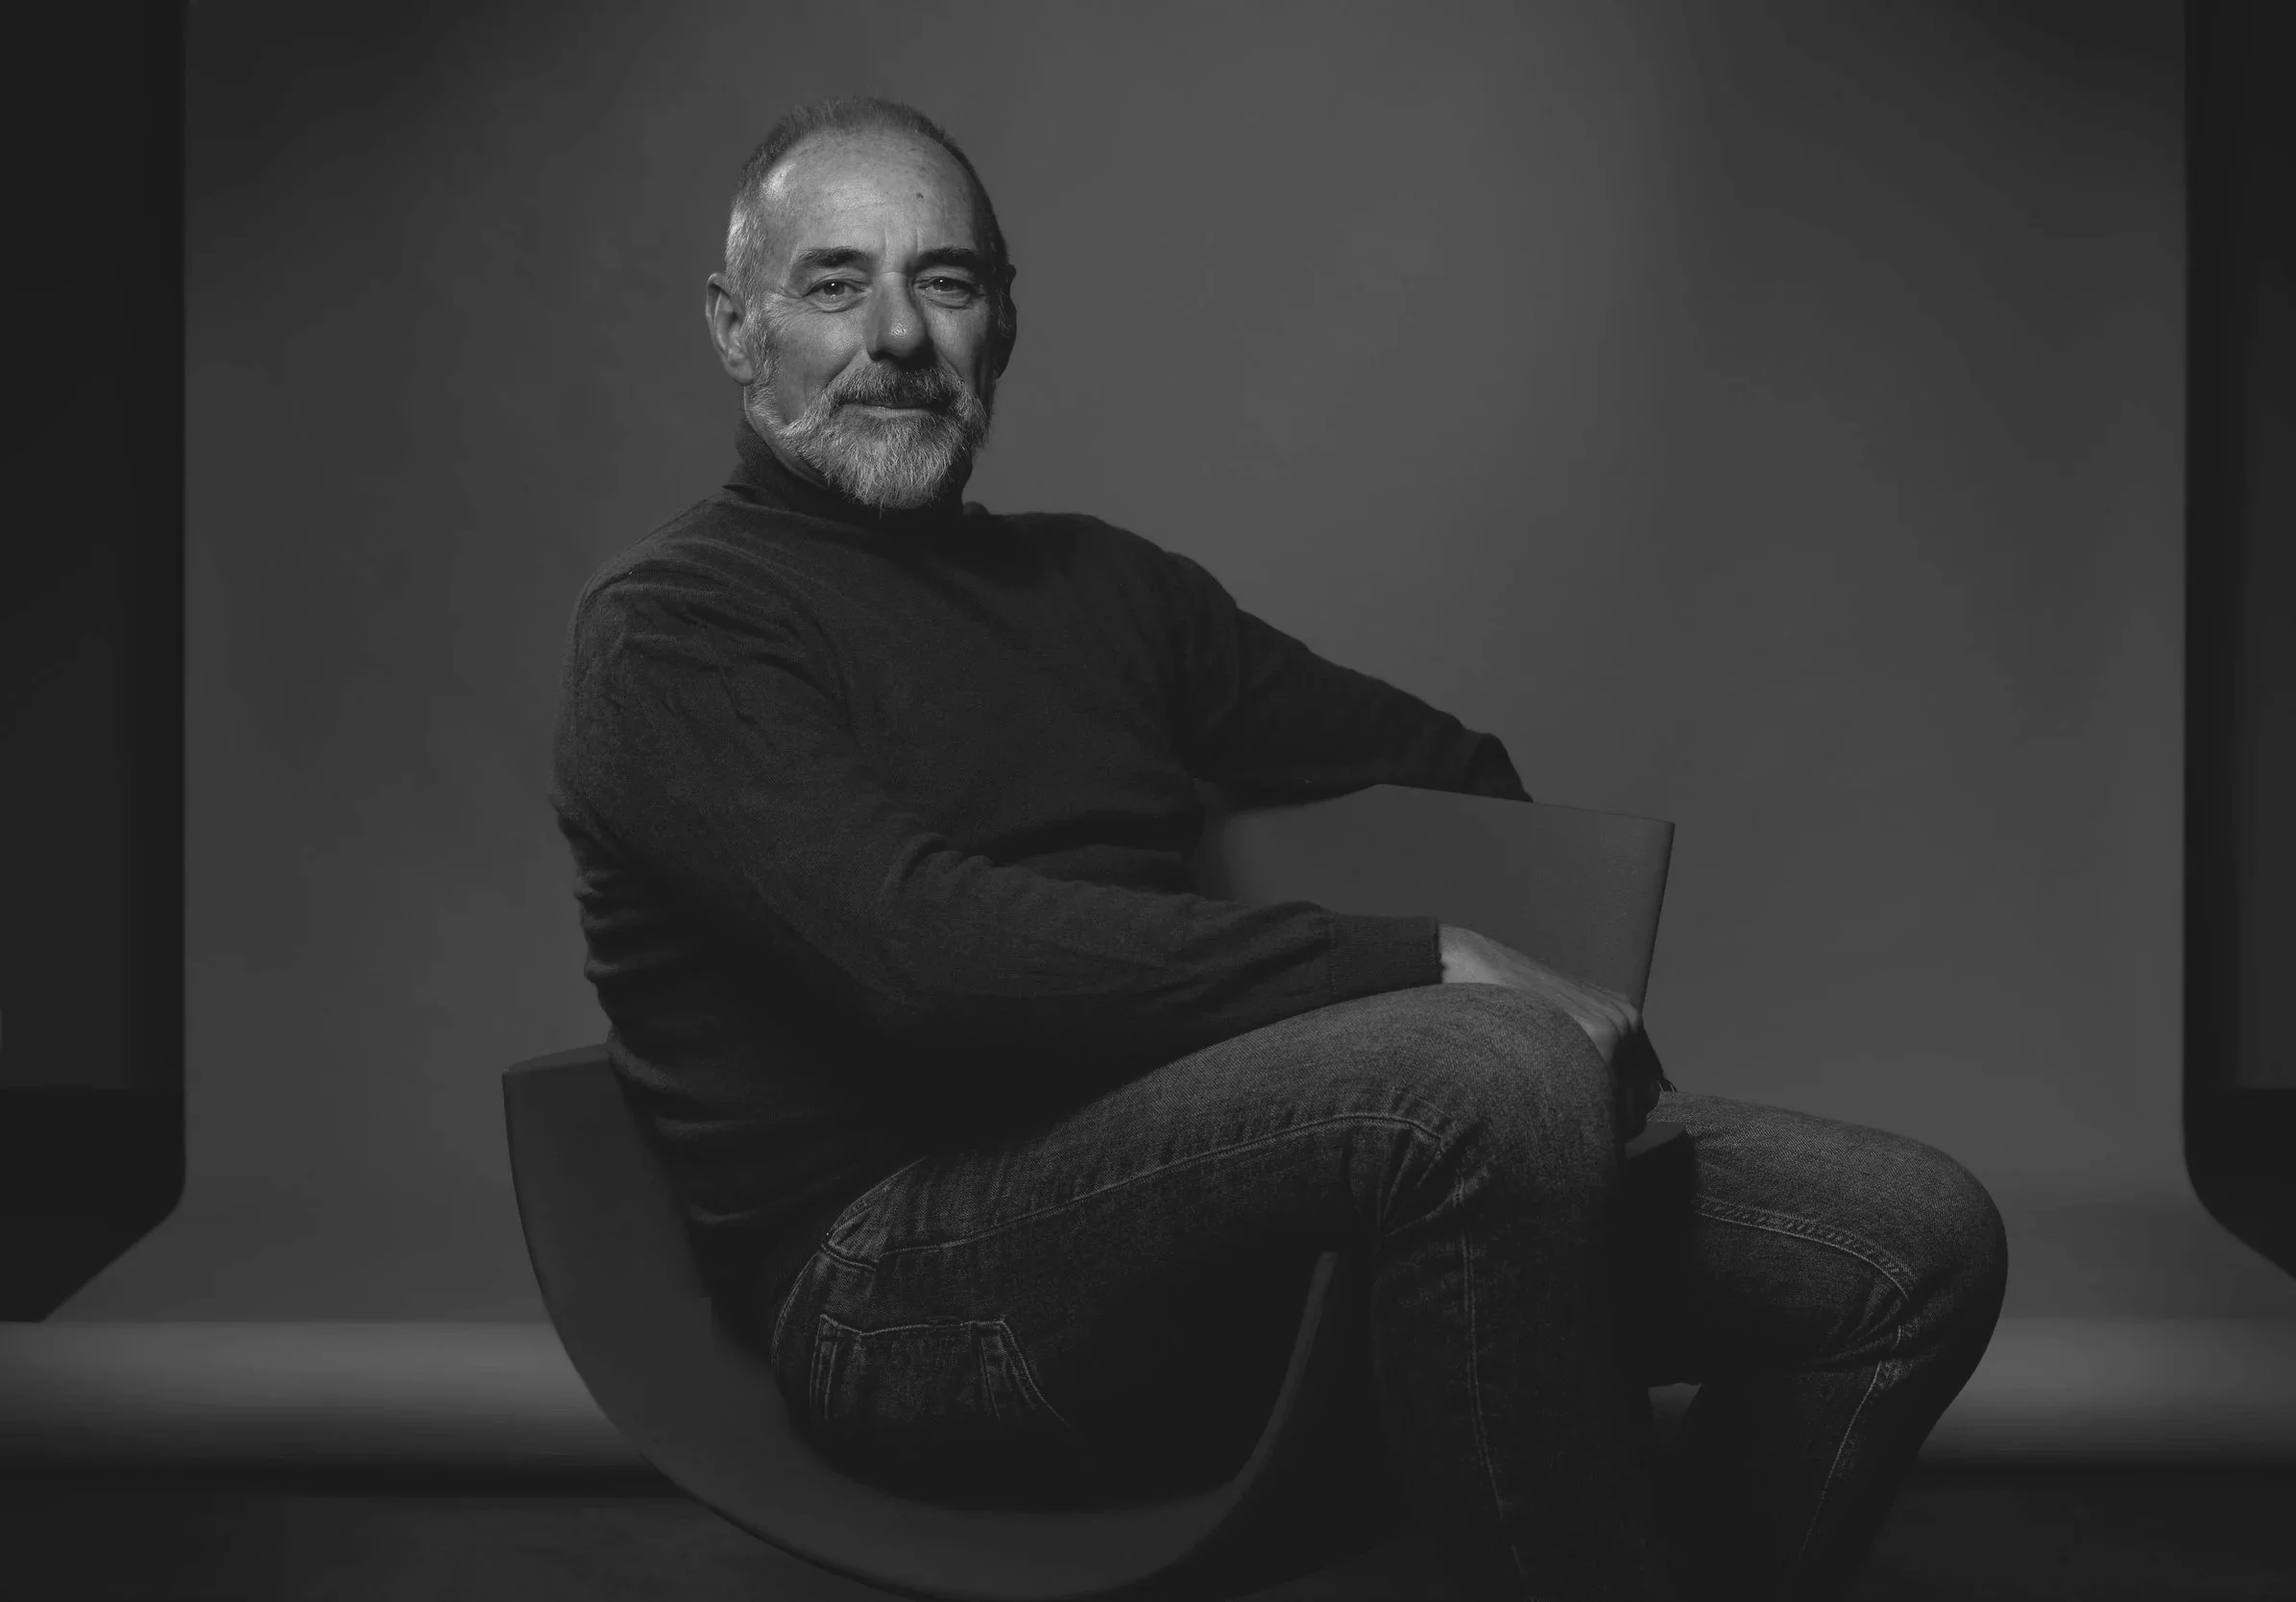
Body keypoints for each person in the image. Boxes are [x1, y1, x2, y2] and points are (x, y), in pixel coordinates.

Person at [548, 96, 2007, 1602]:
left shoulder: (1109, 592)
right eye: (835, 284)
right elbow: (921, 958)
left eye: (947, 280)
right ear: (736, 328)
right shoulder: (676, 628)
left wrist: (1566, 1076)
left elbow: (1459, 779)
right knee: (1481, 1066)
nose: (902, 334)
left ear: (1005, 323)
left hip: (1210, 1195)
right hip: (899, 1286)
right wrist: (1427, 973)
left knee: (1916, 1241)